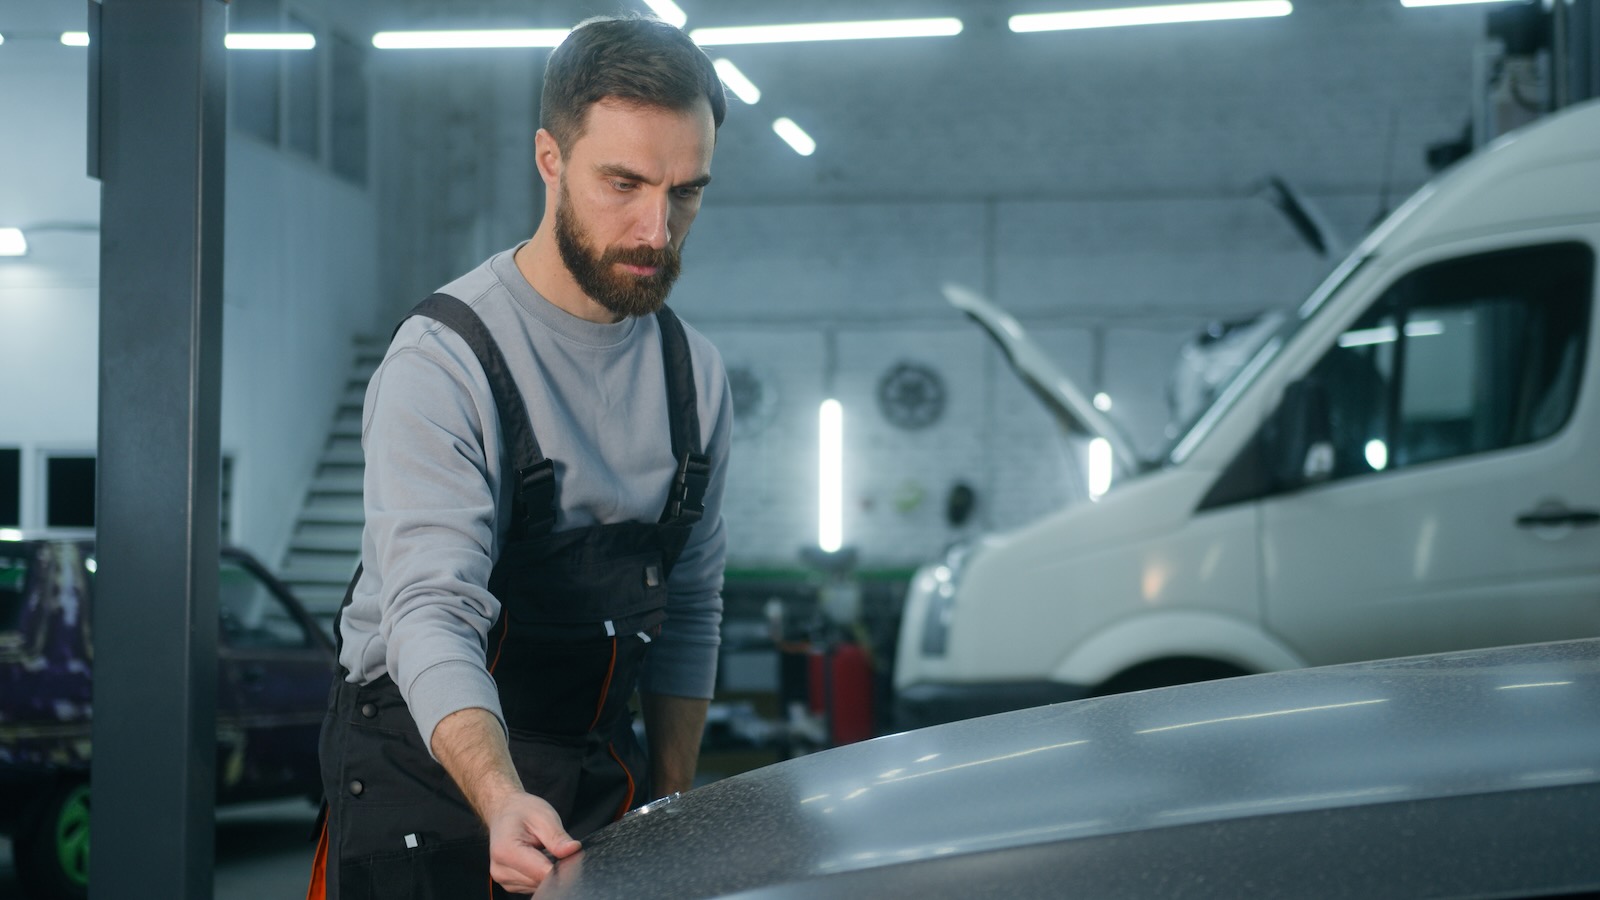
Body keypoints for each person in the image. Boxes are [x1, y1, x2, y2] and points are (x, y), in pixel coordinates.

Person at [307, 15, 731, 898]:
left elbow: (690, 606)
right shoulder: (445, 361)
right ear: (550, 159)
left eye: (686, 192)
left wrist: (675, 805)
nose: (658, 230)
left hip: (593, 794)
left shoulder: (694, 377)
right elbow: (428, 610)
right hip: (427, 796)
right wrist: (501, 797)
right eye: (624, 183)